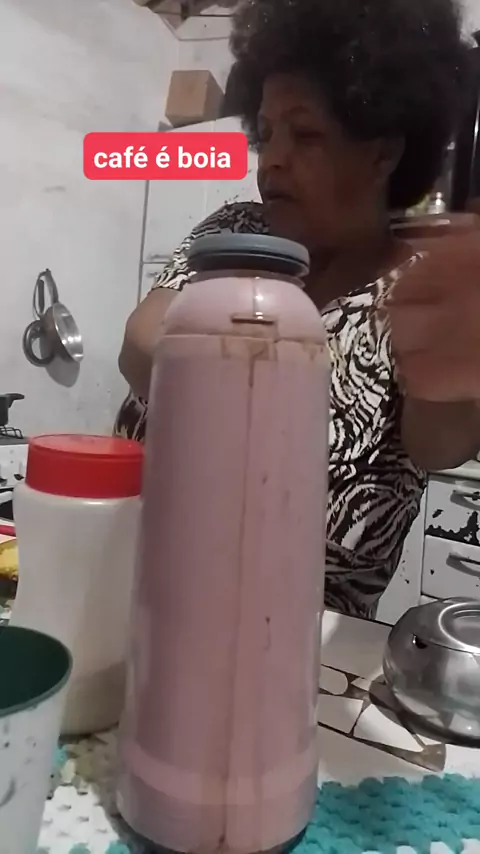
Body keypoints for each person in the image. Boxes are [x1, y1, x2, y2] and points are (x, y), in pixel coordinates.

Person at [115, 0, 480, 618]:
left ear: (383, 152)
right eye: (266, 132)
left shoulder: (416, 289)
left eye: (305, 134)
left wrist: (454, 353)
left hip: (292, 634)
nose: (273, 158)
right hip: (133, 591)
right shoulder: (237, 229)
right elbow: (138, 344)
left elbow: (440, 445)